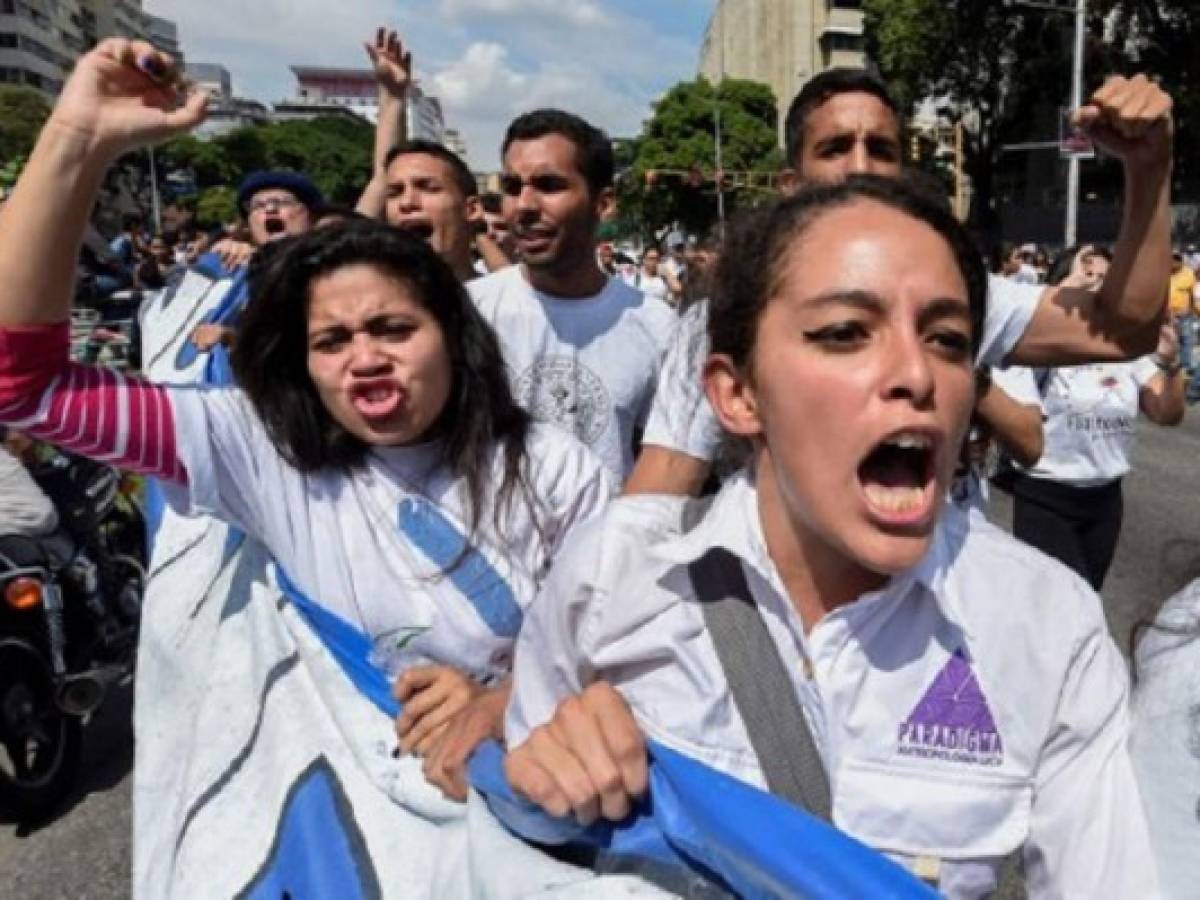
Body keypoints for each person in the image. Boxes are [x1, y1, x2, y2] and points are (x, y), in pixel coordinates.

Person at [0, 42, 613, 896]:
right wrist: (77, 136)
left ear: (456, 336)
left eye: (394, 329)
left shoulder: (554, 468)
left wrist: (507, 694)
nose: (365, 359)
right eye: (332, 341)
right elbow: (19, 385)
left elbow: (623, 639)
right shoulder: (259, 452)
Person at [502, 176, 1158, 897]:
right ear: (738, 394)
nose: (916, 374)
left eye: (947, 340)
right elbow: (520, 848)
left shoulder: (1047, 627)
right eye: (845, 332)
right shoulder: (617, 573)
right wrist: (544, 777)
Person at [625, 66, 1174, 498]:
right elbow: (663, 485)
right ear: (791, 184)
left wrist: (1148, 168)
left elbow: (1120, 331)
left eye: (881, 149)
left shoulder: (960, 291)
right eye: (835, 148)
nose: (861, 166)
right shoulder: (726, 315)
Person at [468, 109, 677, 480]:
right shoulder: (470, 311)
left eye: (549, 185)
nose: (525, 206)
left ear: (604, 204)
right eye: (513, 187)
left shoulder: (655, 325)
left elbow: (670, 461)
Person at [995, 245, 1185, 590]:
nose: (1099, 288)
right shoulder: (1036, 344)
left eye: (1107, 280)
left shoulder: (1122, 346)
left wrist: (1171, 365)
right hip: (1046, 496)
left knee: (1086, 602)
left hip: (1105, 499)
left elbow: (1166, 413)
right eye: (1089, 277)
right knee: (1059, 609)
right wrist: (1057, 302)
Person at [383, 140, 508, 282]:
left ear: (472, 209)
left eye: (428, 188)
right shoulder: (366, 300)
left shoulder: (507, 300)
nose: (406, 203)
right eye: (394, 193)